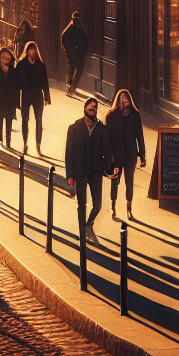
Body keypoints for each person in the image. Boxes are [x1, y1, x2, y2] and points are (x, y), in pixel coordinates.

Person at [64, 96, 115, 246]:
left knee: (97, 205)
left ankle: (88, 224)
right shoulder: (74, 128)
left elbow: (108, 153)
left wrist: (106, 167)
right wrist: (70, 176)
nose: (93, 110)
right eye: (90, 108)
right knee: (82, 204)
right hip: (80, 172)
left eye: (95, 108)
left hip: (95, 173)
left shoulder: (102, 130)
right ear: (85, 109)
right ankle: (82, 232)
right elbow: (69, 153)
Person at [105, 88, 146, 221]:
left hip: (130, 155)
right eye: (121, 100)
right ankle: (113, 207)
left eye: (126, 100)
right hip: (116, 156)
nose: (124, 103)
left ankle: (129, 209)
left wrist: (142, 156)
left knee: (129, 182)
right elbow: (107, 138)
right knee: (115, 181)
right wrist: (108, 156)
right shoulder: (111, 115)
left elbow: (139, 136)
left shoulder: (135, 115)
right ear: (117, 101)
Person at [13, 40, 51, 153]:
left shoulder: (41, 65)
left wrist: (47, 97)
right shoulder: (22, 65)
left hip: (38, 95)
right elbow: (16, 82)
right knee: (25, 119)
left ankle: (38, 143)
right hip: (26, 95)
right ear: (27, 52)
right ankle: (25, 142)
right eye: (30, 51)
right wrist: (15, 99)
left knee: (39, 119)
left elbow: (45, 82)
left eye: (34, 52)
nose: (32, 54)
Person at [62, 11, 90, 96]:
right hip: (76, 53)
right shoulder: (75, 27)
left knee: (72, 70)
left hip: (74, 52)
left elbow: (63, 36)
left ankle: (71, 86)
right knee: (76, 70)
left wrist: (66, 48)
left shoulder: (72, 27)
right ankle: (71, 86)